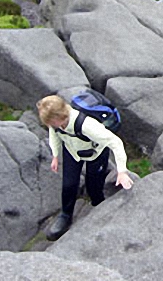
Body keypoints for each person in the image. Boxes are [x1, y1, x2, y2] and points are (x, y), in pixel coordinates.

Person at [37, 95, 134, 241]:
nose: (49, 125)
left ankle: (98, 207)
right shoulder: (54, 123)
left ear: (59, 117)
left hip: (96, 153)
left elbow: (116, 142)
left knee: (94, 186)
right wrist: (55, 155)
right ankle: (66, 215)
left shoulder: (86, 125)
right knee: (69, 185)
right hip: (72, 151)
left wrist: (122, 172)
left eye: (51, 122)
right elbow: (54, 133)